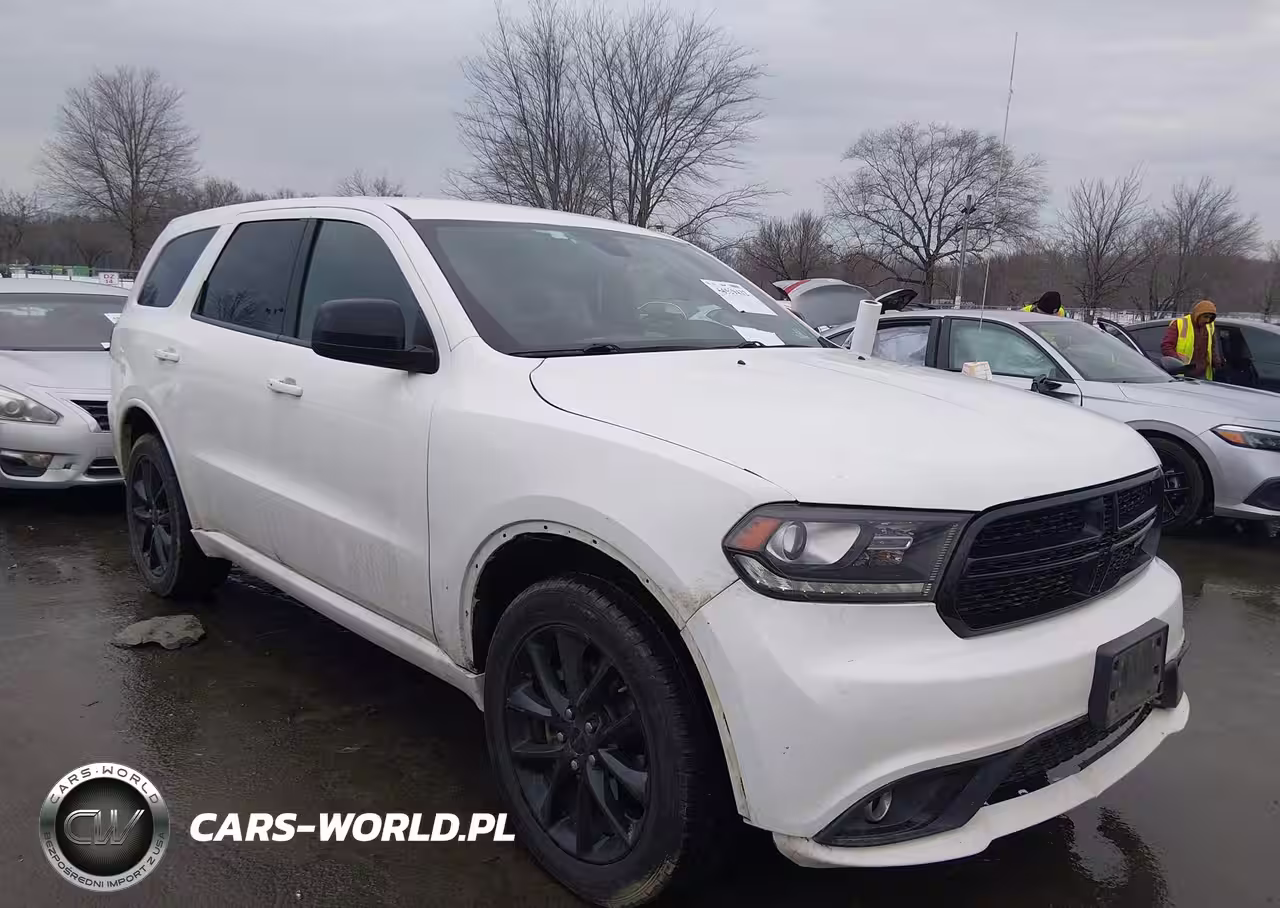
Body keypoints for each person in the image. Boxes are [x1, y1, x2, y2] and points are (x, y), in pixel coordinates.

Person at [1161, 299, 1223, 380]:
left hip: (1203, 374)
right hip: (1183, 374)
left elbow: (1211, 349)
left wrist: (1218, 364)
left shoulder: (1209, 326)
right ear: (1198, 314)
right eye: (1205, 317)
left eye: (1210, 318)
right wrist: (1178, 363)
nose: (1207, 320)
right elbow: (1166, 346)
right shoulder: (1179, 324)